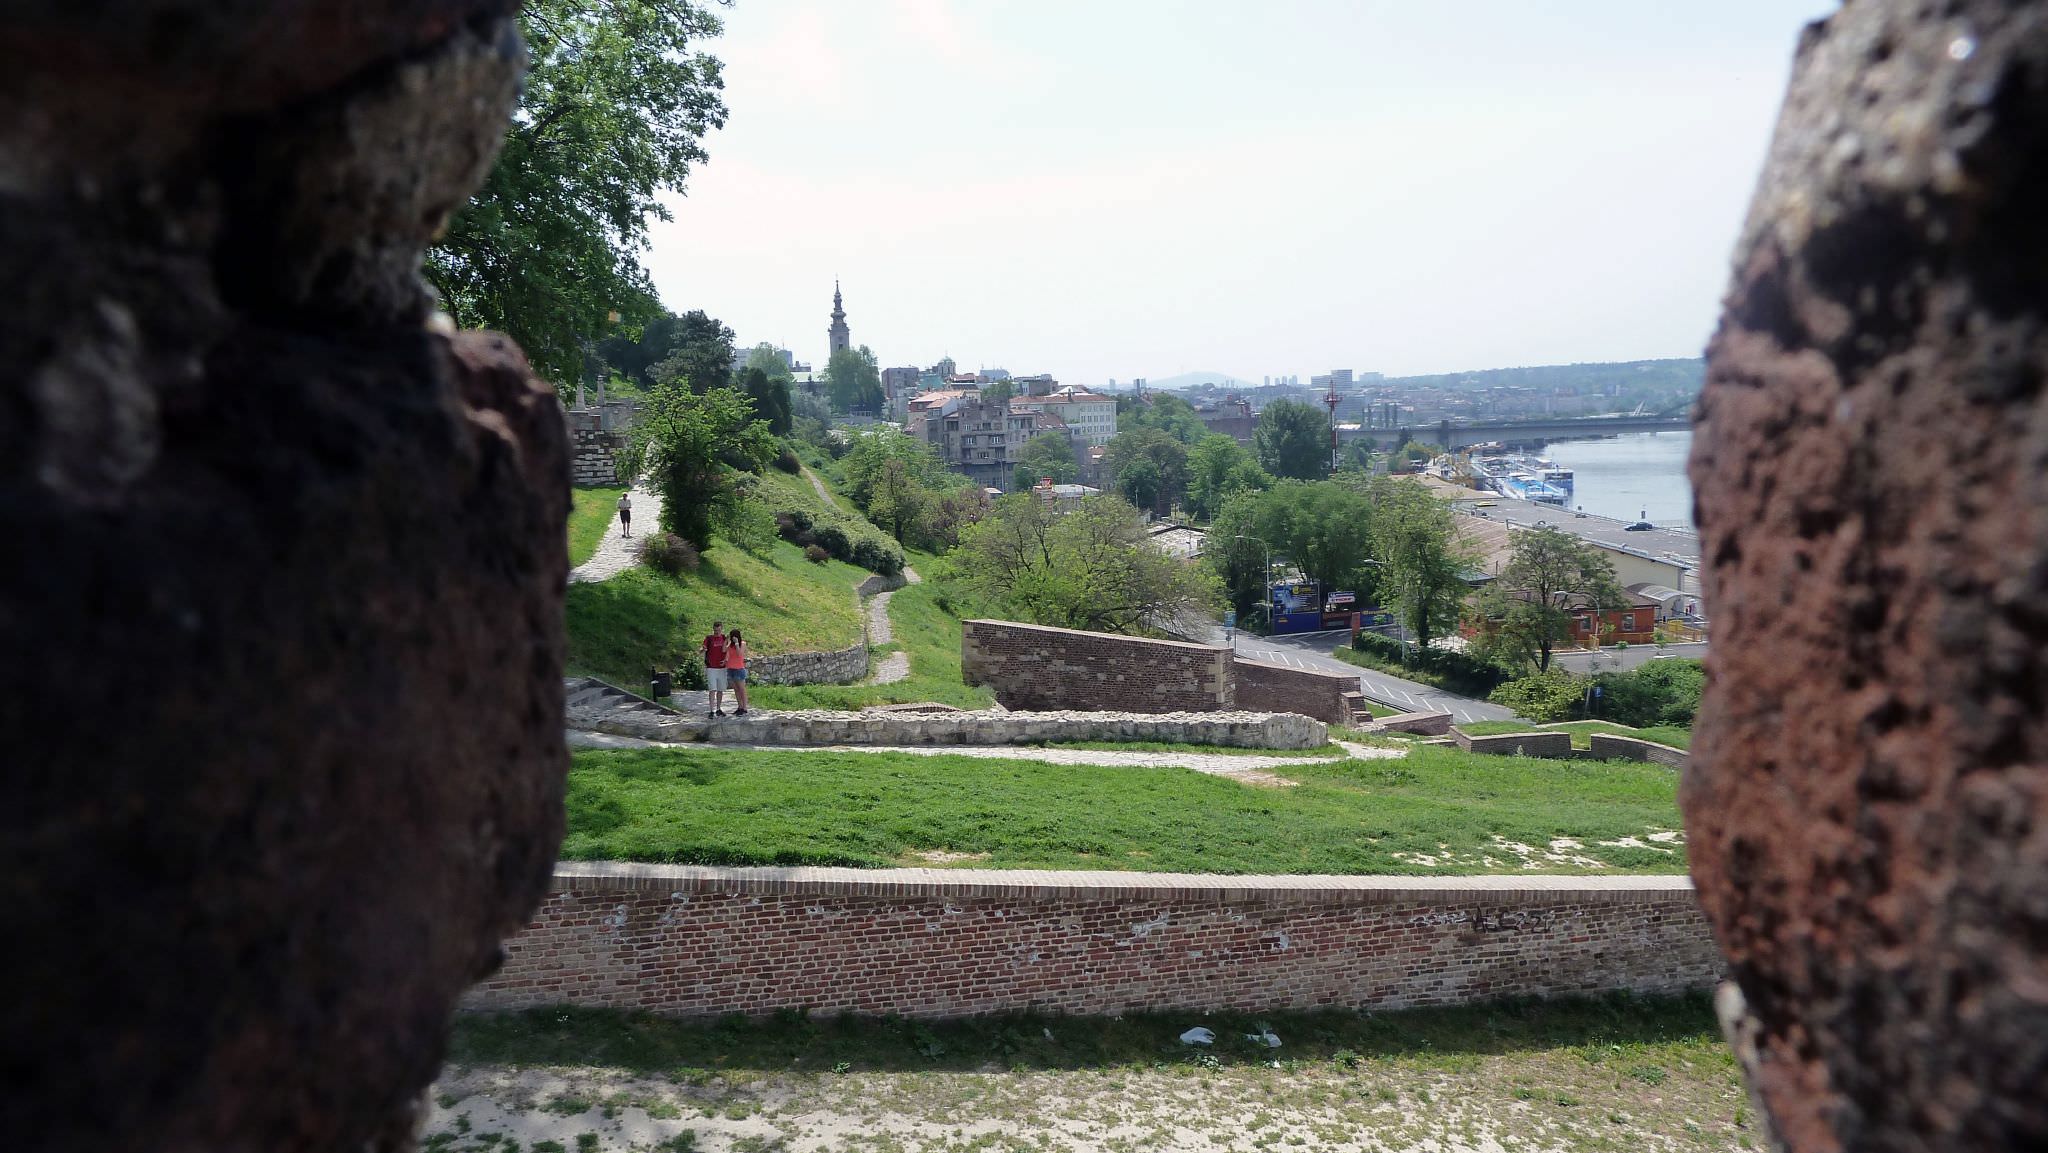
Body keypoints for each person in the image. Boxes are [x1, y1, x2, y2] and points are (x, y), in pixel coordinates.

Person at [701, 622, 728, 717]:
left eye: (718, 630)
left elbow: (728, 651)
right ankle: (711, 710)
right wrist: (703, 650)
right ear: (713, 629)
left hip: (722, 667)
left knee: (720, 689)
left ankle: (718, 709)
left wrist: (726, 660)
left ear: (721, 629)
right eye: (715, 630)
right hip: (711, 667)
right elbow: (702, 649)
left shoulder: (725, 638)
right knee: (712, 689)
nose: (717, 632)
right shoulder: (709, 638)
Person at [725, 628, 750, 715]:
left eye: (734, 636)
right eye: (732, 636)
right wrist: (726, 641)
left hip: (739, 668)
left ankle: (745, 707)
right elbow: (724, 650)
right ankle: (739, 706)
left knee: (741, 689)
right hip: (731, 668)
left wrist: (736, 644)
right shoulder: (730, 645)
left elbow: (740, 654)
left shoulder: (742, 643)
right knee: (735, 689)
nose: (733, 638)